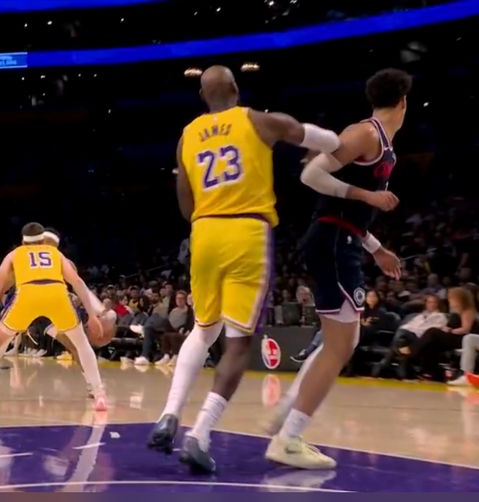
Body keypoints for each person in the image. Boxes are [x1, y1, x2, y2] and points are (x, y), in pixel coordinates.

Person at [147, 65, 343, 473]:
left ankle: (169, 413)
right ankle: (200, 435)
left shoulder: (187, 135)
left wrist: (207, 216)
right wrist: (327, 147)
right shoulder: (258, 120)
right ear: (236, 89)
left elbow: (184, 202)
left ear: (203, 97)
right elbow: (326, 139)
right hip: (246, 231)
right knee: (237, 344)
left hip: (204, 233)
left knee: (203, 329)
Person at [264, 68, 411, 469]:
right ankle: (288, 436)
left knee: (345, 339)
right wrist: (368, 195)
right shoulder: (365, 133)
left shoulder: (383, 144)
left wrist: (377, 248)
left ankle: (289, 411)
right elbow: (310, 174)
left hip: (343, 239)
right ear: (403, 102)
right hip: (332, 241)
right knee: (340, 345)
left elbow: (352, 214)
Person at [0, 222, 108, 413]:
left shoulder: (20, 255)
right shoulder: (57, 257)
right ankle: (98, 390)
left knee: (0, 342)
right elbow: (78, 283)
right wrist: (94, 313)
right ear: (42, 240)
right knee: (78, 344)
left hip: (29, 302)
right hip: (53, 302)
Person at [38, 228, 116, 398]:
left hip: (60, 309)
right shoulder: (30, 260)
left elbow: (80, 287)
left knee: (77, 347)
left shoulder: (64, 262)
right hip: (40, 310)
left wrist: (96, 310)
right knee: (77, 347)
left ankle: (92, 384)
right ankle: (93, 385)